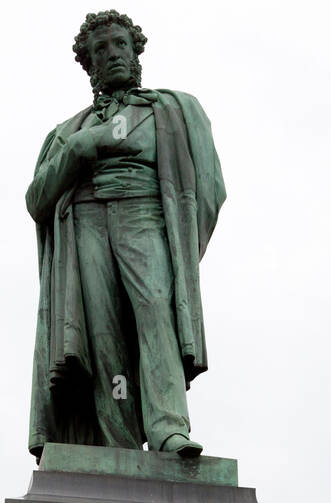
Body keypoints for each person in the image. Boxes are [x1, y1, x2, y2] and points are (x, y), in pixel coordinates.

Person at [26, 11, 224, 461]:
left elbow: (211, 188)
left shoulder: (173, 109)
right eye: (101, 50)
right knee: (104, 333)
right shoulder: (67, 133)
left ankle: (169, 427)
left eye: (119, 45)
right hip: (88, 222)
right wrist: (80, 150)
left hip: (146, 215)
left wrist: (181, 252)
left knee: (155, 310)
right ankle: (117, 445)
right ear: (90, 66)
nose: (112, 54)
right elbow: (37, 199)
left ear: (135, 53)